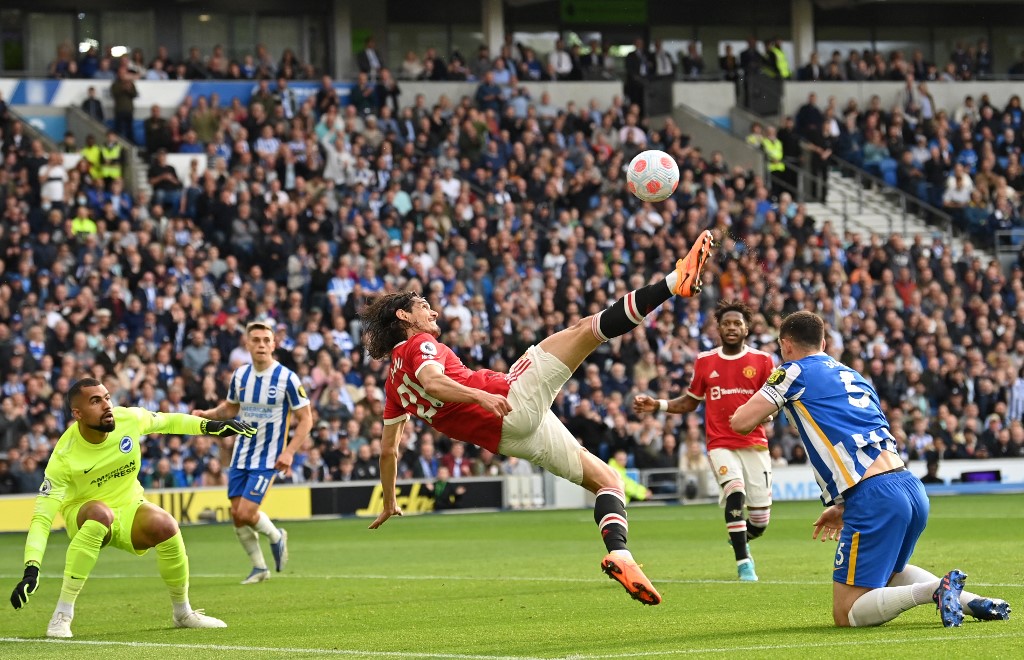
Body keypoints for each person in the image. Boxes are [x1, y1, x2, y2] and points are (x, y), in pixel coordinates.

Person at [361, 230, 716, 606]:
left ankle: (620, 554)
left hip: (508, 438)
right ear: (404, 316)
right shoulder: (419, 344)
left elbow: (389, 451)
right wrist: (480, 395)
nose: (432, 312)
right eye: (423, 306)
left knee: (608, 480)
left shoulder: (392, 384)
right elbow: (433, 380)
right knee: (586, 329)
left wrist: (388, 500)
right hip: (509, 399)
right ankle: (676, 281)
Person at [730, 311, 1012, 627]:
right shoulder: (854, 376)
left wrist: (762, 411)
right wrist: (844, 503)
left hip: (874, 495)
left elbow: (741, 422)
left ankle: (935, 589)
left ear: (785, 345)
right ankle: (973, 602)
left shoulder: (791, 371)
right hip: (908, 485)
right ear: (824, 342)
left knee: (847, 613)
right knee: (889, 571)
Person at [8, 377, 256, 638]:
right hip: (85, 513)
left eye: (106, 397)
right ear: (77, 414)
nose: (106, 405)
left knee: (167, 526)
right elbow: (42, 518)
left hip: (128, 507)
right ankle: (62, 614)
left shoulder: (128, 419)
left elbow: (168, 421)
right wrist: (31, 568)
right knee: (100, 514)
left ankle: (183, 612)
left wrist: (212, 426)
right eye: (95, 401)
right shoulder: (63, 457)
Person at [634, 300, 775, 581]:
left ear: (747, 328)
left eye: (737, 323)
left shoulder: (762, 361)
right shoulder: (705, 361)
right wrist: (657, 405)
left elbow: (773, 400)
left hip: (754, 443)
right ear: (718, 329)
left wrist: (767, 415)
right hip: (720, 443)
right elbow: (690, 402)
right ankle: (743, 563)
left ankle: (742, 536)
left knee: (760, 520)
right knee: (735, 492)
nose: (732, 328)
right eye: (726, 323)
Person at [194, 320, 313, 584]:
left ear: (274, 344)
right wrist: (207, 415)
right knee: (236, 515)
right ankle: (259, 567)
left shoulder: (287, 378)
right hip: (241, 454)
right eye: (255, 340)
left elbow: (306, 419)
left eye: (265, 340)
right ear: (247, 344)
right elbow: (229, 409)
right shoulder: (240, 376)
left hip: (269, 457)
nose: (261, 345)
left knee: (247, 513)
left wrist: (290, 452)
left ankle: (276, 536)